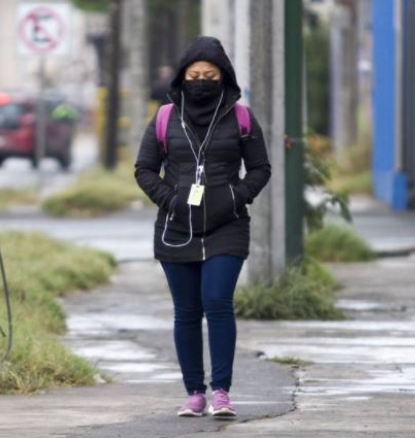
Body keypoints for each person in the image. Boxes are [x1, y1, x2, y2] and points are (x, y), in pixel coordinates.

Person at [134, 36, 271, 418]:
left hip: (227, 226)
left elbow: (261, 168)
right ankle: (194, 392)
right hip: (176, 228)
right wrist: (172, 200)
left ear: (223, 76)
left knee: (217, 302)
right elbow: (144, 169)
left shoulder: (240, 117)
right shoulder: (164, 117)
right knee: (187, 311)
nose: (201, 81)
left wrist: (235, 197)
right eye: (194, 75)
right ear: (182, 77)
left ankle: (222, 392)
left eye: (209, 75)